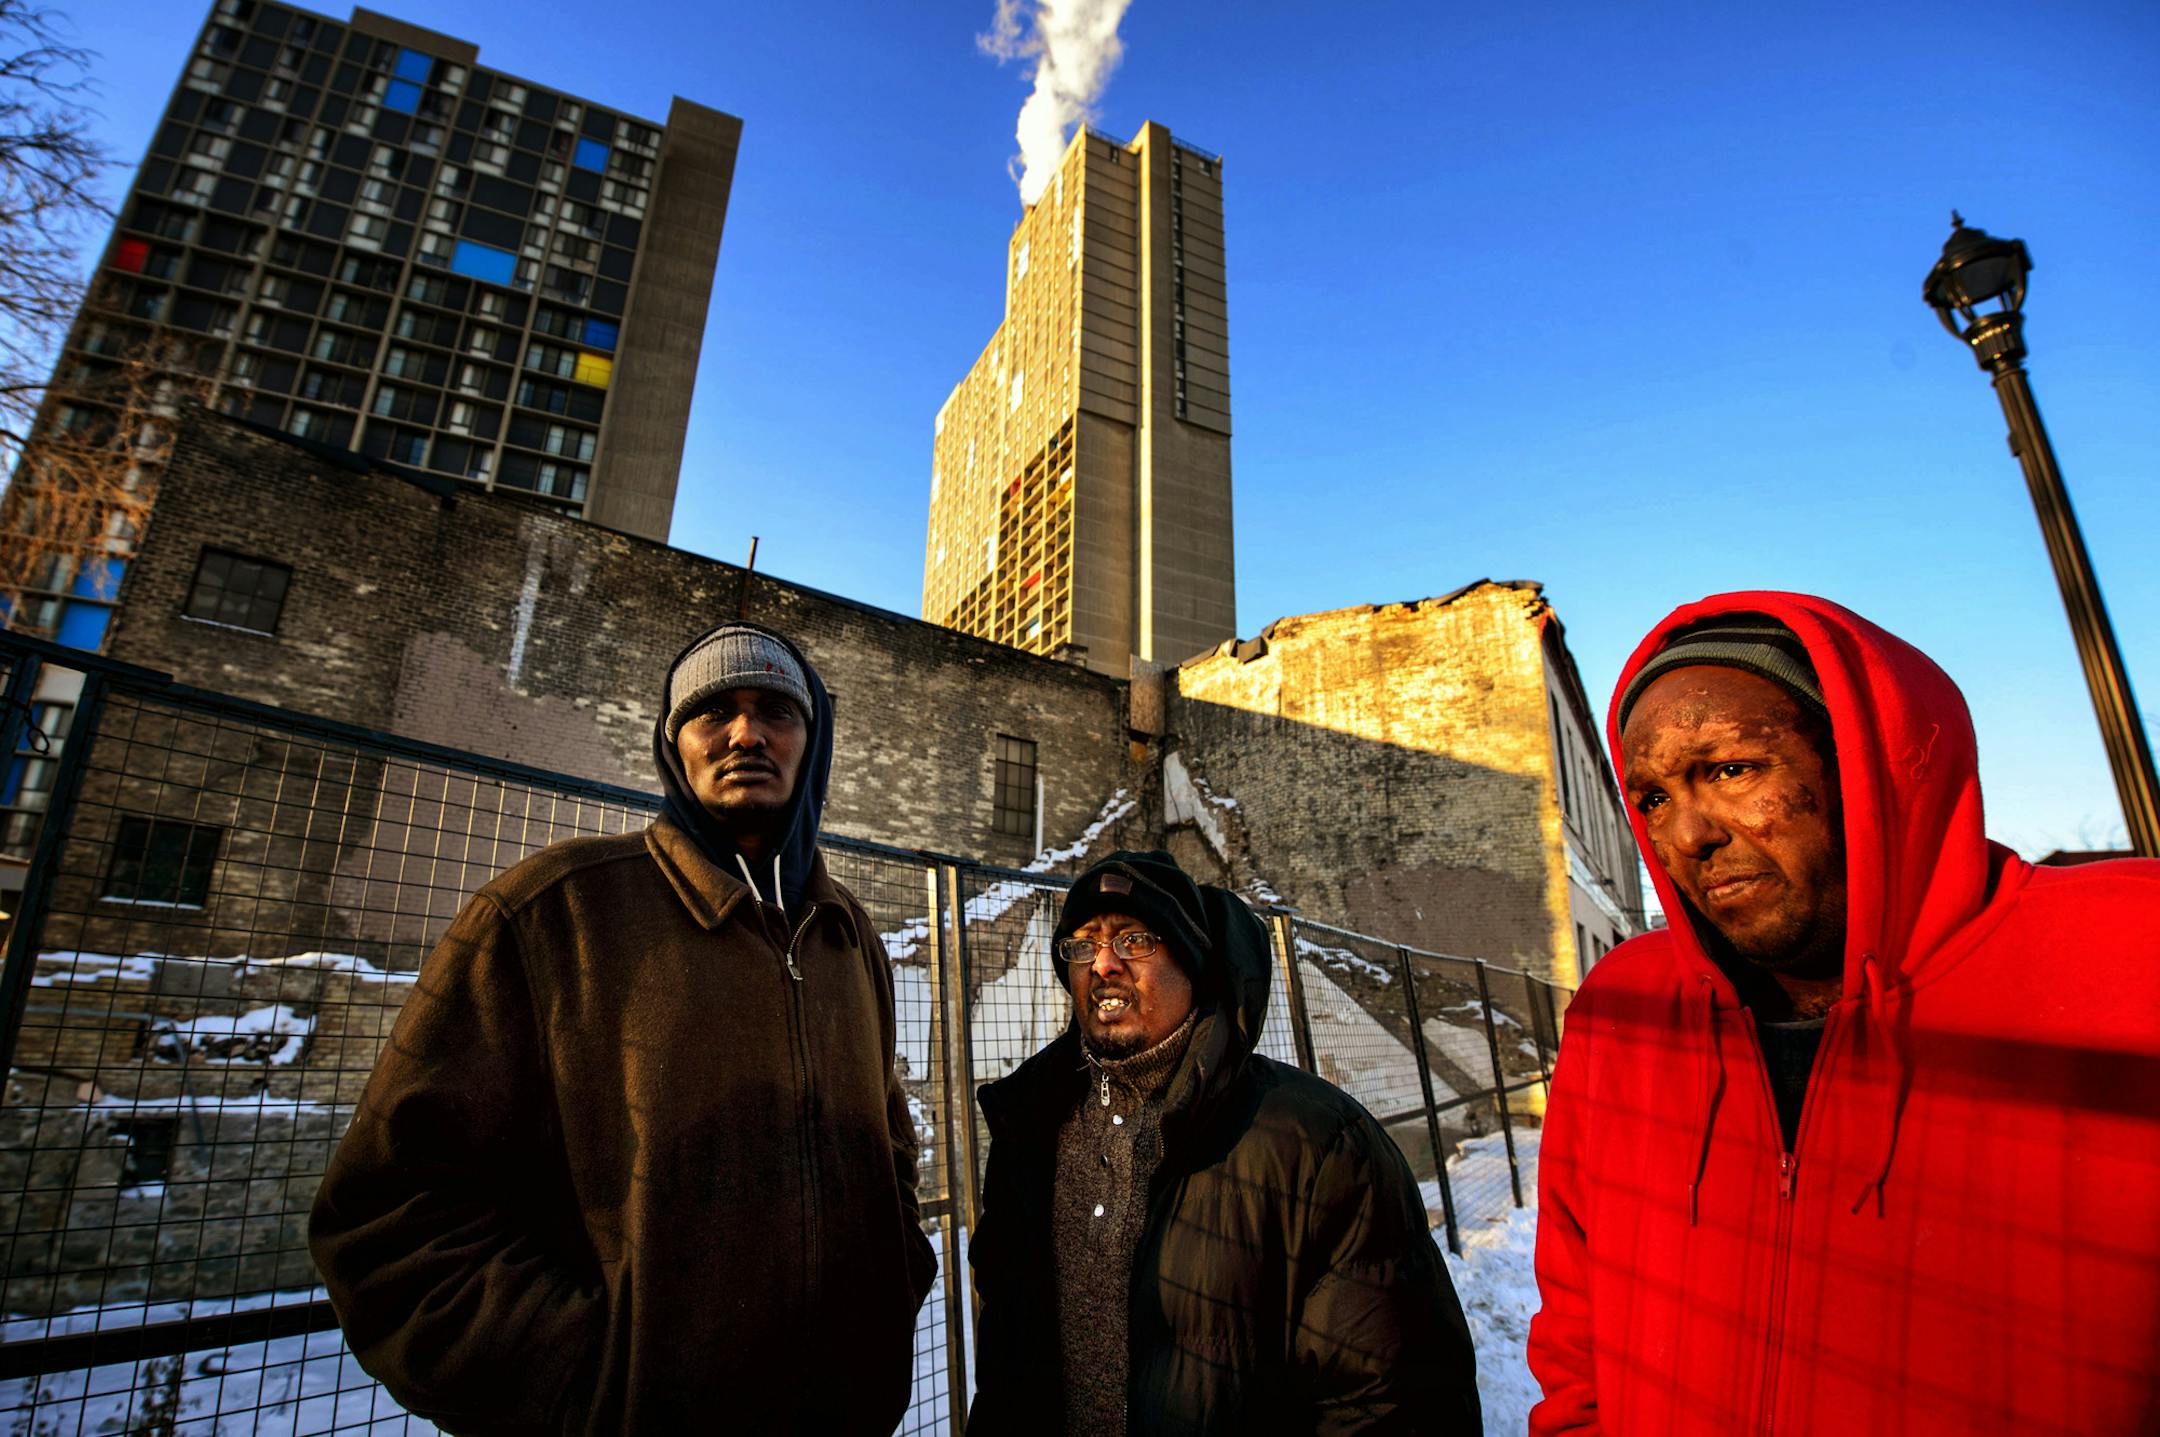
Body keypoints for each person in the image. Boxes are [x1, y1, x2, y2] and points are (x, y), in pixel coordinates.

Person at [1529, 593, 2160, 1436]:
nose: (1685, 835)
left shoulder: (2123, 962)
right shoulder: (1624, 1014)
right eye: (1650, 799)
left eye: (1729, 769)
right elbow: (1579, 1338)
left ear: (1868, 765)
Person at [310, 621, 935, 1435]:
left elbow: (888, 1146)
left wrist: (897, 1275)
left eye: (775, 709)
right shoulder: (553, 914)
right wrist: (591, 1382)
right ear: (673, 745)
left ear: (811, 740)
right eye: (715, 712)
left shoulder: (845, 932)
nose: (746, 732)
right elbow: (387, 1221)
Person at [967, 849, 1481, 1434]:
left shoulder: (1319, 1146)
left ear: (1193, 963)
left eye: (1133, 939)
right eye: (1082, 944)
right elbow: (1005, 1368)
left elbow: (1394, 1400)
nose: (1102, 962)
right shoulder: (1031, 1133)